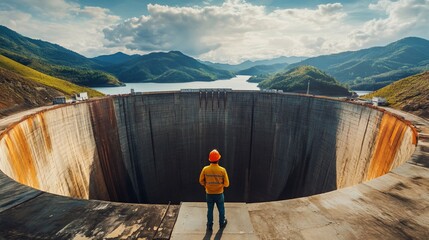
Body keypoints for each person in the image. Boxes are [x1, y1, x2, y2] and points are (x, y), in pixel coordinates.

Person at [199, 149, 230, 231]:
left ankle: (209, 225)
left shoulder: (205, 169)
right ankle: (222, 223)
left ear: (210, 159)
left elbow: (201, 181)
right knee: (221, 209)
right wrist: (220, 185)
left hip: (209, 193)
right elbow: (227, 184)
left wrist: (206, 185)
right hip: (219, 194)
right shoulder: (222, 170)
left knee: (210, 209)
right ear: (218, 159)